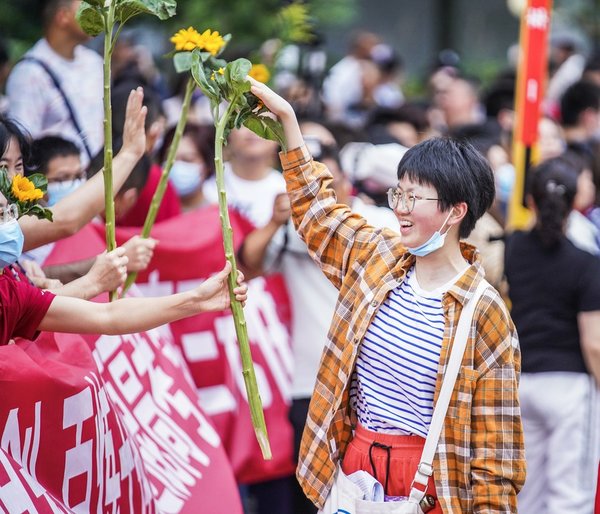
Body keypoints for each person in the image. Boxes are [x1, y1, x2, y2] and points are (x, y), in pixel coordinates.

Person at [249, 77, 525, 512]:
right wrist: (288, 123)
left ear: (456, 211)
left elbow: (497, 453)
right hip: (355, 470)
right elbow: (317, 214)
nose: (399, 206)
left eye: (414, 197)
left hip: (432, 483)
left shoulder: (483, 311)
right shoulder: (378, 257)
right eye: (398, 192)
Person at [504, 156, 600, 513]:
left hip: (521, 383)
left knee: (526, 495)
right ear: (576, 202)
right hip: (569, 388)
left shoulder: (512, 248)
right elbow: (593, 342)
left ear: (529, 200)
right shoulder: (586, 263)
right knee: (569, 497)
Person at [6, 0, 103, 167]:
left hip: (97, 181)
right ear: (62, 17)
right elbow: (23, 144)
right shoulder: (29, 72)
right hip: (57, 187)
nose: (98, 16)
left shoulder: (95, 63)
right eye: (88, 9)